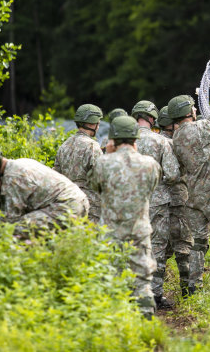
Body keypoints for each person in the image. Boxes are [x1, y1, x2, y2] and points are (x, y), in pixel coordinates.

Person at [89, 116, 161, 318]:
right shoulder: (149, 164)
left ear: (113, 138)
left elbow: (95, 186)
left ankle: (115, 320)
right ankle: (146, 321)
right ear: (135, 137)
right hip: (139, 229)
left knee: (110, 276)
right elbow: (151, 187)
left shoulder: (103, 163)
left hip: (111, 230)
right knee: (142, 278)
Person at [168, 89, 210, 291]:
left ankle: (194, 286)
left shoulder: (177, 137)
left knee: (198, 244)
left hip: (193, 197)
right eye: (193, 107)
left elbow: (209, 129)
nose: (196, 108)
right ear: (188, 111)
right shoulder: (198, 129)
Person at [0, 145, 89, 235]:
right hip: (77, 201)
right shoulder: (20, 163)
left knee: (16, 228)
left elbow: (11, 220)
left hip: (67, 205)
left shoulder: (13, 178)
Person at [147, 105, 194, 301]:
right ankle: (187, 289)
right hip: (179, 197)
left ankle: (155, 290)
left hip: (159, 198)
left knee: (160, 247)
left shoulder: (155, 142)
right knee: (183, 246)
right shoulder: (180, 143)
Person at [53, 104, 104, 223]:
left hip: (68, 204)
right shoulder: (92, 146)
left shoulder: (64, 145)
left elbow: (56, 175)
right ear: (92, 123)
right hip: (91, 208)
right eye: (98, 122)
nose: (99, 126)